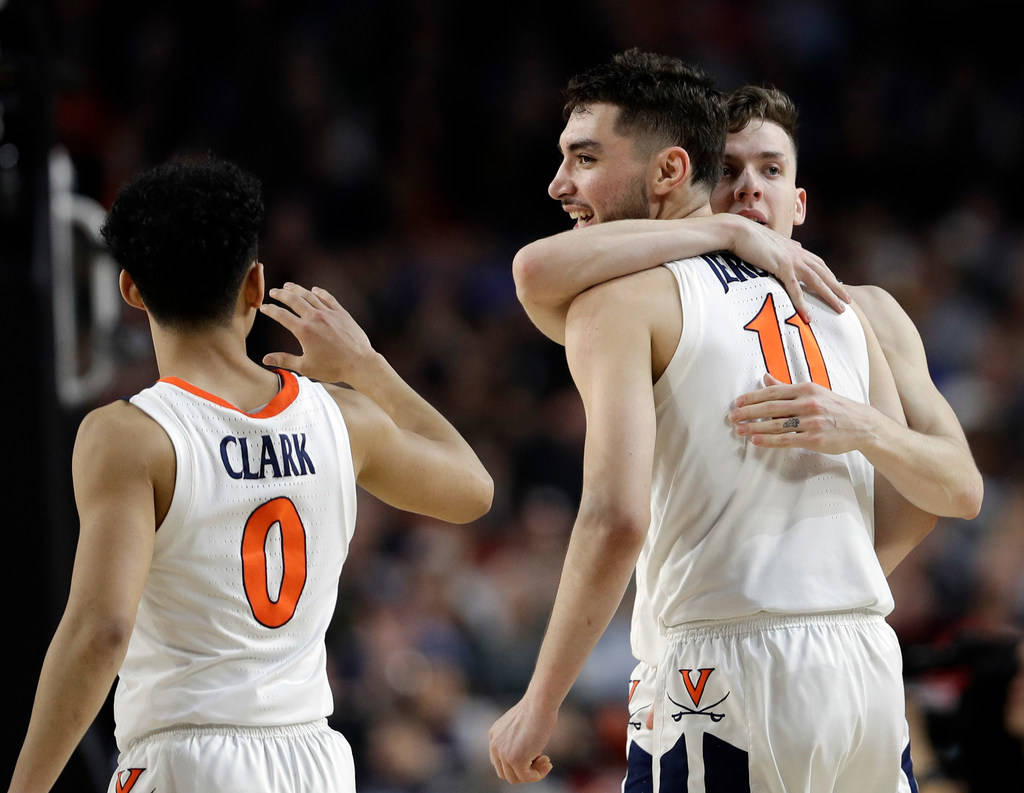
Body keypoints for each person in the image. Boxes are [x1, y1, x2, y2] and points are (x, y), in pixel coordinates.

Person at [488, 49, 944, 792]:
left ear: (669, 171)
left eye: (585, 156)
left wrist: (540, 701)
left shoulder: (620, 300)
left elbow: (615, 516)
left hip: (719, 668)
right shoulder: (839, 305)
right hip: (862, 658)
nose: (559, 183)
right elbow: (912, 504)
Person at [8, 156, 493, 793]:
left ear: (130, 289)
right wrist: (367, 366)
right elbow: (473, 489)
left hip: (188, 757)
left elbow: (102, 630)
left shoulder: (129, 435)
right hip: (314, 759)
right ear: (256, 284)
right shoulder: (345, 418)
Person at [511, 85, 983, 569]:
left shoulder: (868, 309)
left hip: (839, 627)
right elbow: (535, 268)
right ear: (689, 188)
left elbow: (961, 490)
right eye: (726, 170)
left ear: (799, 204)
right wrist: (728, 231)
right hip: (700, 615)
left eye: (771, 170)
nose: (750, 186)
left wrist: (866, 429)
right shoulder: (652, 295)